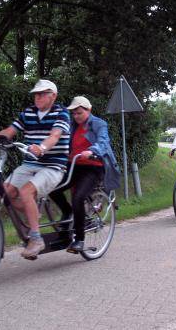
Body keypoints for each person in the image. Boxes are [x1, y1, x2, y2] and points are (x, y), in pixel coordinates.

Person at [0, 79, 70, 259]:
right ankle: (34, 215)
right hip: (30, 164)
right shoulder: (28, 113)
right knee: (5, 192)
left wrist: (42, 147)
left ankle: (36, 238)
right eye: (35, 94)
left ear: (53, 96)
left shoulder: (61, 113)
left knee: (25, 192)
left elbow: (55, 135)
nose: (37, 97)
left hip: (53, 166)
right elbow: (10, 131)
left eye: (42, 94)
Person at [50, 96, 120, 253]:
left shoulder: (99, 124)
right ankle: (67, 212)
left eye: (79, 113)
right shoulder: (72, 125)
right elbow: (60, 140)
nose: (76, 116)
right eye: (74, 113)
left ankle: (79, 239)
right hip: (74, 165)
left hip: (93, 167)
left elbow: (103, 142)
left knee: (78, 197)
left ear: (89, 110)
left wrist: (92, 151)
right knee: (52, 188)